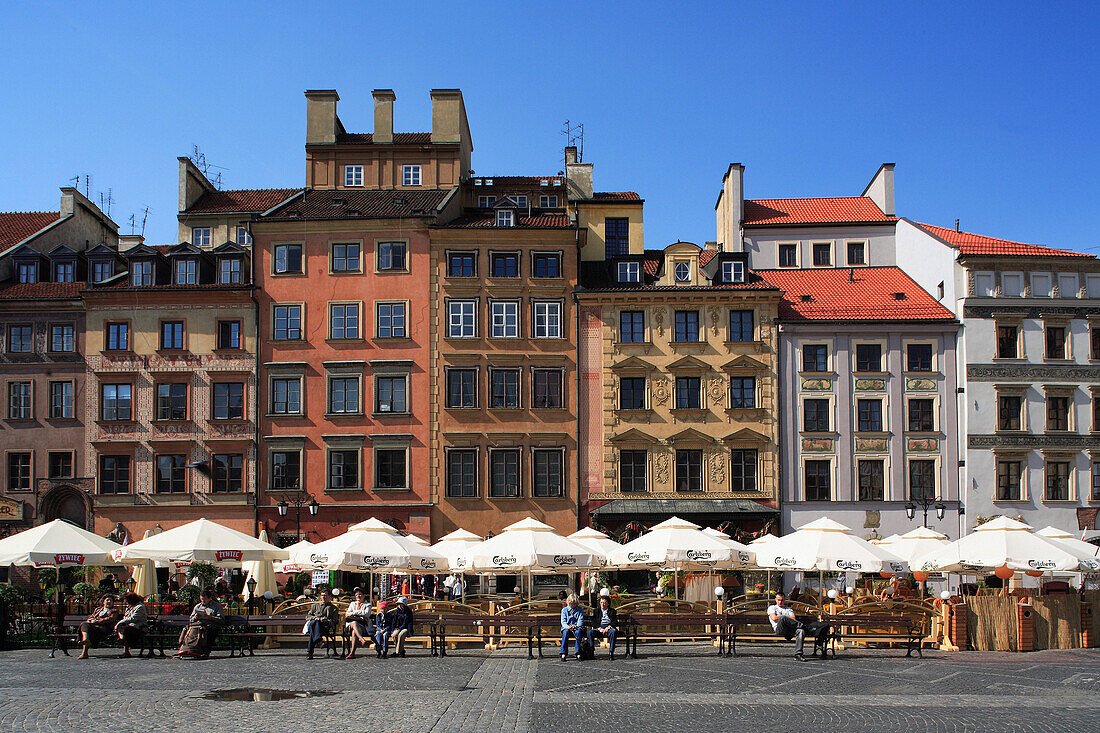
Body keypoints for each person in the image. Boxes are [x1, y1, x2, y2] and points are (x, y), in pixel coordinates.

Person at [767, 591, 830, 662]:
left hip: (790, 629)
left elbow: (793, 618)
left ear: (784, 600)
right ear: (775, 600)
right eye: (778, 600)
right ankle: (804, 626)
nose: (780, 602)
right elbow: (774, 618)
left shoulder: (788, 609)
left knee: (801, 631)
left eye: (782, 600)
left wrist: (787, 618)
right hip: (779, 629)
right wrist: (786, 618)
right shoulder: (772, 608)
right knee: (783, 618)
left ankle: (798, 654)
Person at [176, 588, 225, 659]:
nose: (203, 601)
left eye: (205, 599)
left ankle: (204, 651)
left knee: (208, 631)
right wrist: (195, 617)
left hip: (210, 625)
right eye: (201, 599)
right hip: (197, 625)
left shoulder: (217, 606)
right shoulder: (198, 606)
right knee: (186, 629)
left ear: (210, 598)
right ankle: (185, 648)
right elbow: (191, 619)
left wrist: (210, 617)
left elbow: (221, 620)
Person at [78, 595, 118, 659]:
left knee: (86, 627)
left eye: (111, 601)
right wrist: (91, 620)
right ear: (103, 602)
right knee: (84, 624)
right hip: (93, 627)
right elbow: (91, 617)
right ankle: (86, 640)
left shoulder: (114, 610)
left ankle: (84, 651)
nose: (109, 602)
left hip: (103, 629)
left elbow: (110, 619)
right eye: (107, 600)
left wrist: (96, 621)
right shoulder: (98, 609)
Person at [304, 589, 339, 659]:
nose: (323, 597)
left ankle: (310, 651)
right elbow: (308, 616)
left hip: (325, 628)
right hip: (314, 625)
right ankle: (318, 640)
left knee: (313, 630)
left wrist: (326, 620)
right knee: (315, 622)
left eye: (325, 595)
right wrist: (315, 618)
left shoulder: (333, 608)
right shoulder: (315, 606)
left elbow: (334, 621)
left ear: (329, 597)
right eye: (322, 595)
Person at [114, 592, 147, 658]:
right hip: (129, 626)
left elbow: (133, 618)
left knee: (124, 629)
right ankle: (124, 647)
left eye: (126, 600)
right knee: (123, 628)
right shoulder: (129, 607)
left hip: (138, 627)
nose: (125, 601)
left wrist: (120, 622)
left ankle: (122, 640)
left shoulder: (140, 607)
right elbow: (126, 617)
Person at [344, 588, 373, 659]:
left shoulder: (368, 605)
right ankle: (362, 639)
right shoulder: (352, 604)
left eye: (360, 594)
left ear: (363, 596)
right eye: (357, 595)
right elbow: (347, 614)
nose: (358, 596)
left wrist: (354, 613)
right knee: (354, 623)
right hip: (350, 626)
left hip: (363, 627)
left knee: (354, 632)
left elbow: (366, 614)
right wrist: (360, 614)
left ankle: (352, 653)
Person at [587, 594, 618, 659]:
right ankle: (591, 650)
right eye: (601, 602)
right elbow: (593, 621)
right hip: (599, 627)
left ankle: (611, 652)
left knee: (613, 631)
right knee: (590, 632)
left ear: (608, 604)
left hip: (609, 627)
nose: (602, 604)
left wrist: (608, 627)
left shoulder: (612, 611)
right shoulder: (596, 611)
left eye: (604, 603)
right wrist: (599, 628)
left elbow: (615, 622)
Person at [559, 593, 585, 661]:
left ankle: (578, 652)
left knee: (579, 632)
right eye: (571, 603)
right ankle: (563, 653)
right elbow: (563, 621)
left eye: (574, 603)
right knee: (565, 632)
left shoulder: (580, 609)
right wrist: (567, 626)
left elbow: (580, 620)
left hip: (576, 628)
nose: (573, 605)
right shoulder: (564, 610)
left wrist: (576, 626)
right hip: (567, 628)